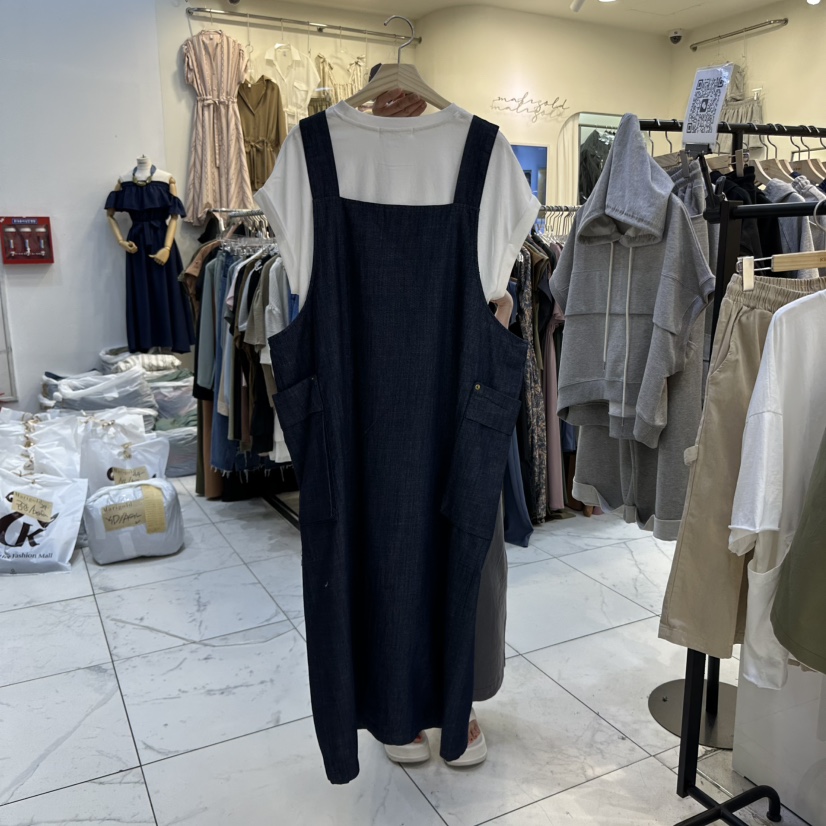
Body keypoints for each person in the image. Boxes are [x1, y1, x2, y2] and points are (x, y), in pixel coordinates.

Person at [367, 64, 489, 769]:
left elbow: (497, 290)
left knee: (462, 556)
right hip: (368, 401)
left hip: (459, 395)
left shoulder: (480, 155)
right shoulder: (321, 157)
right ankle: (397, 699)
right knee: (384, 550)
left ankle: (455, 698)